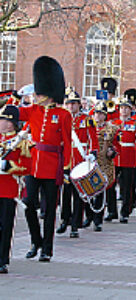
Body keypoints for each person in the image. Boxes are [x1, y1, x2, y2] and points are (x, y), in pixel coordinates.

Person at [19, 56, 72, 262]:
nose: (37, 94)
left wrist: (66, 167)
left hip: (52, 167)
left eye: (40, 92)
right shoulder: (33, 110)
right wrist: (13, 97)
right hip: (32, 165)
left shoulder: (63, 114)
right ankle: (36, 240)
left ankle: (47, 249)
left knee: (50, 210)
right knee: (28, 202)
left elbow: (66, 143)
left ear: (48, 94)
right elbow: (12, 113)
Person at [56, 89, 98, 238]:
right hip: (67, 161)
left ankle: (75, 225)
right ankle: (64, 220)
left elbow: (93, 139)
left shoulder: (87, 120)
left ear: (79, 105)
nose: (71, 106)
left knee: (79, 195)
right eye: (69, 104)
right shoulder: (62, 119)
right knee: (65, 194)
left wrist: (93, 153)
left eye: (74, 104)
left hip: (80, 161)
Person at [0, 105, 31, 273]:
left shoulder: (21, 142)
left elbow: (27, 167)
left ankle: (2, 260)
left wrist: (9, 166)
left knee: (5, 226)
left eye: (4, 120)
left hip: (8, 188)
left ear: (11, 123)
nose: (1, 123)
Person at [110, 96, 136, 223]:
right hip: (114, 157)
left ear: (131, 110)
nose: (124, 110)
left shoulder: (135, 124)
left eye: (126, 108)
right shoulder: (114, 124)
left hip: (128, 157)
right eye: (122, 108)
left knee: (127, 187)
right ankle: (111, 210)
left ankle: (125, 211)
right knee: (111, 185)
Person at [84, 101, 118, 228]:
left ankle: (98, 220)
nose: (97, 116)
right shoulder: (88, 126)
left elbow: (117, 146)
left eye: (100, 114)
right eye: (96, 113)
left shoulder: (112, 129)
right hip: (89, 161)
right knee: (87, 190)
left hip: (104, 162)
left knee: (100, 191)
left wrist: (112, 151)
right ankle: (88, 216)